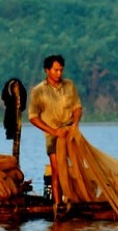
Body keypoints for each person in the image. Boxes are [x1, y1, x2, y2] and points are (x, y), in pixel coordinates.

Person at [28, 55, 82, 209]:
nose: (59, 73)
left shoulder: (69, 85)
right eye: (56, 70)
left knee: (77, 169)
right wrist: (53, 131)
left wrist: (75, 123)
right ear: (47, 70)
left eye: (61, 70)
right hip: (53, 135)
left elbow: (77, 107)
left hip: (70, 132)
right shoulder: (39, 91)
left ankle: (77, 200)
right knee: (57, 171)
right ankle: (58, 205)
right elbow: (33, 117)